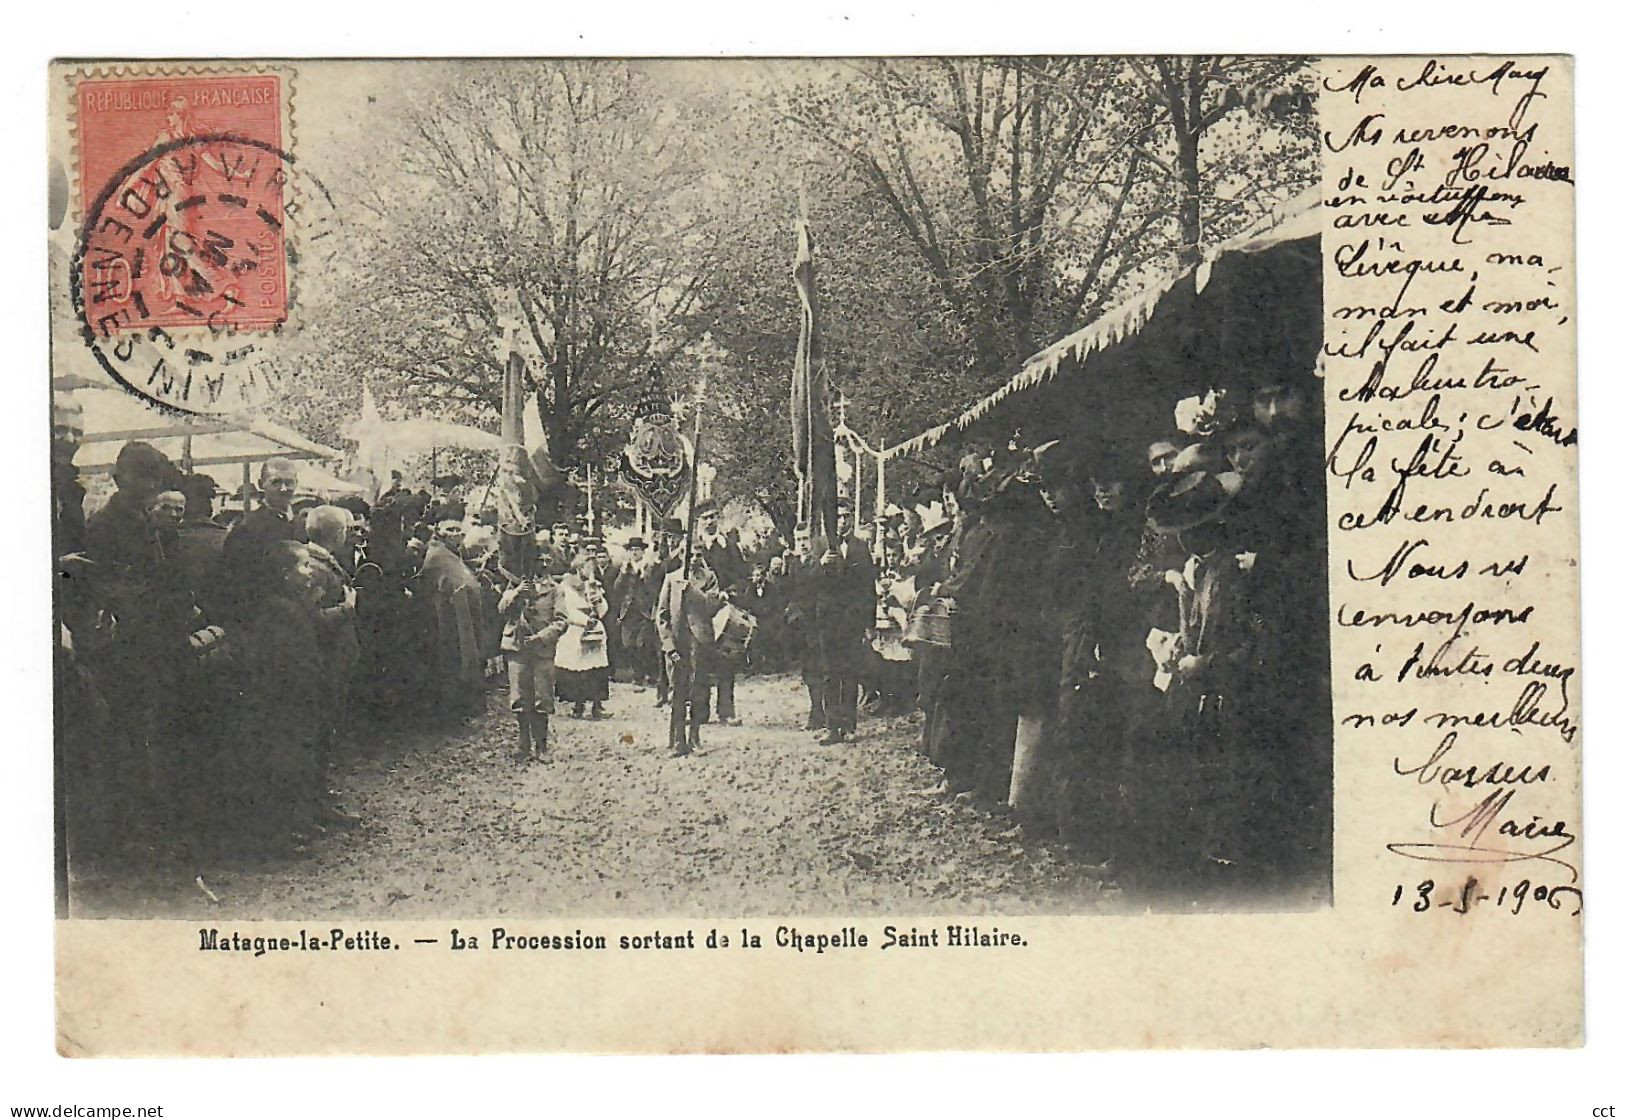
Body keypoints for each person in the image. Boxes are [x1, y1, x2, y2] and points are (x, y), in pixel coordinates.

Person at [303, 506, 364, 830]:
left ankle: (319, 796)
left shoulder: (319, 561)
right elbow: (312, 618)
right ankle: (314, 803)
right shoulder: (316, 567)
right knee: (322, 731)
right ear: (337, 534)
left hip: (333, 662)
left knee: (327, 732)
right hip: (326, 663)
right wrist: (347, 609)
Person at [812, 498, 876, 744]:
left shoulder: (861, 547)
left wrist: (869, 623)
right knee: (830, 672)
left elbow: (869, 587)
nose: (842, 521)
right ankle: (831, 726)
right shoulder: (820, 546)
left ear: (852, 518)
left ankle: (849, 725)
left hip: (851, 621)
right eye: (837, 517)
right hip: (827, 620)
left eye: (846, 516)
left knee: (850, 672)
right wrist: (820, 566)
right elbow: (805, 584)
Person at [498, 551, 567, 763]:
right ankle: (523, 744)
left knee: (542, 696)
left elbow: (561, 621)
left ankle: (541, 746)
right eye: (539, 560)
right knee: (520, 696)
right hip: (517, 647)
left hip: (541, 650)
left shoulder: (555, 589)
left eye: (547, 561)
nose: (543, 564)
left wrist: (541, 637)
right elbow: (501, 609)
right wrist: (517, 592)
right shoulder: (515, 586)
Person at [657, 556, 726, 757]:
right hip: (678, 642)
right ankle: (678, 740)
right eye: (692, 551)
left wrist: (692, 591)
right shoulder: (671, 578)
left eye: (699, 551)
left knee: (699, 690)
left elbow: (713, 605)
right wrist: (668, 644)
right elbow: (661, 615)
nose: (695, 556)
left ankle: (695, 737)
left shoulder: (710, 578)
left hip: (701, 643)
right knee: (677, 691)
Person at [221, 458, 304, 624]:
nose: (283, 488)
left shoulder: (303, 525)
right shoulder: (247, 529)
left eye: (289, 482)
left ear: (297, 483)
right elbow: (236, 585)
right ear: (261, 484)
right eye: (275, 482)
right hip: (267, 621)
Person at [420, 520, 485, 715]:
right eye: (450, 530)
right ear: (440, 531)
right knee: (451, 661)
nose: (455, 534)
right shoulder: (436, 555)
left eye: (458, 530)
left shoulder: (454, 554)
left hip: (461, 615)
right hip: (445, 617)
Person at [691, 499, 746, 724]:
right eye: (706, 517)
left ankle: (726, 711)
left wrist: (729, 593)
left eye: (714, 516)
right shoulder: (693, 546)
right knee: (699, 661)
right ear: (699, 521)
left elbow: (742, 577)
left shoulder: (729, 546)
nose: (711, 520)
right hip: (698, 611)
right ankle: (699, 713)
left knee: (726, 660)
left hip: (723, 609)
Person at [554, 549, 612, 719]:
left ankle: (596, 705)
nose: (591, 571)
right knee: (578, 669)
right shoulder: (566, 587)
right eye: (588, 568)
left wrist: (598, 602)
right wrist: (586, 621)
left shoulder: (594, 586)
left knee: (596, 668)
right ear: (579, 568)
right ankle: (578, 705)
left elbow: (604, 609)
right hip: (576, 629)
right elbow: (567, 610)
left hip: (595, 630)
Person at [782, 523, 825, 731]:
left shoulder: (820, 564)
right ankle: (816, 710)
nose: (803, 544)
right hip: (801, 625)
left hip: (818, 624)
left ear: (813, 541)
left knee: (820, 668)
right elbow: (790, 593)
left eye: (806, 539)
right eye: (799, 540)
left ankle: (821, 712)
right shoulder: (794, 566)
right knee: (808, 670)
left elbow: (820, 594)